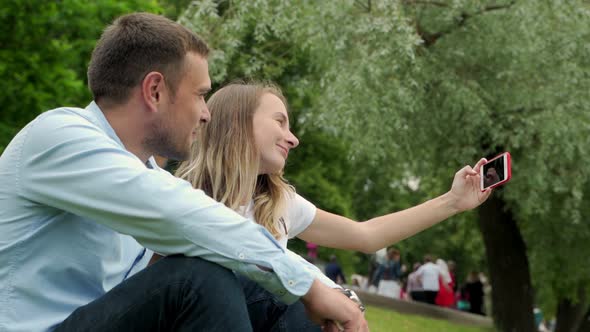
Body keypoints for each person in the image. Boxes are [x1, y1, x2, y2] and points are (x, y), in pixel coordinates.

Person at [0, 13, 367, 332]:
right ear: (155, 90)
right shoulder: (60, 137)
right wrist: (310, 286)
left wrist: (328, 295)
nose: (206, 113)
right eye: (200, 95)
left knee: (263, 288)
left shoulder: (142, 171)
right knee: (199, 279)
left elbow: (220, 234)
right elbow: (185, 214)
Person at [175, 82, 493, 325]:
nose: (293, 138)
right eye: (280, 122)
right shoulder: (179, 198)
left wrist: (452, 201)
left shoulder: (277, 202)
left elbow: (366, 236)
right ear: (238, 124)